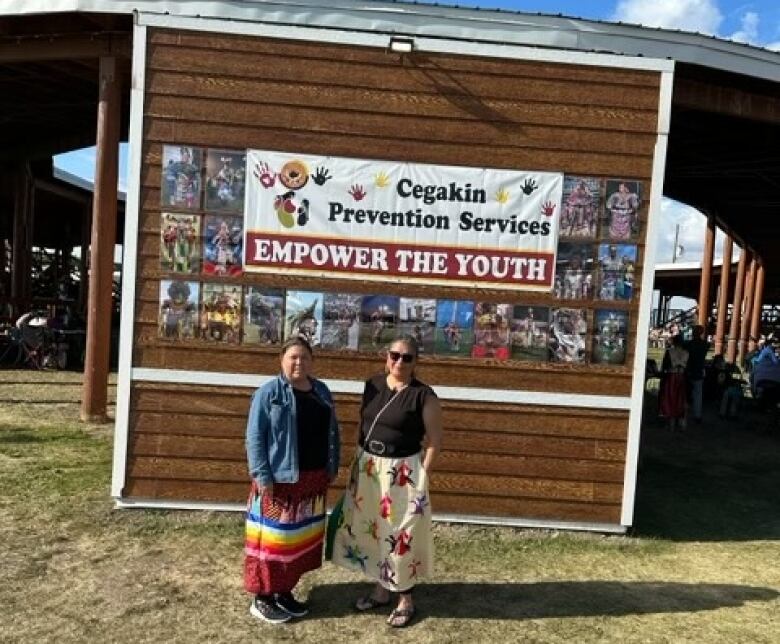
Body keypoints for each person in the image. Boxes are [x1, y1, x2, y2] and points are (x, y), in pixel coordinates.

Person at [332, 335, 443, 628]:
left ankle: (405, 598)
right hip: (369, 467)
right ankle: (382, 589)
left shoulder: (424, 395)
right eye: (395, 355)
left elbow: (434, 441)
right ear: (387, 356)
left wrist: (422, 478)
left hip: (402, 473)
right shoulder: (373, 385)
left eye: (407, 358)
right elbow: (363, 422)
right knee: (372, 529)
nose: (399, 362)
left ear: (416, 362)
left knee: (399, 534)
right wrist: (356, 461)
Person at [244, 336, 340, 624]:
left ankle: (284, 591)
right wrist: (262, 475)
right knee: (272, 541)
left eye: (304, 357)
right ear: (281, 360)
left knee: (297, 542)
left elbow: (332, 432)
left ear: (312, 361)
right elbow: (254, 437)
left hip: (311, 483)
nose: (299, 362)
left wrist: (331, 466)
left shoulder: (321, 390)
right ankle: (262, 597)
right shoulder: (268, 393)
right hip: (279, 483)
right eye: (293, 357)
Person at [659, 333, 689, 431]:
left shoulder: (669, 352)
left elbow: (664, 366)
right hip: (682, 377)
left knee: (670, 399)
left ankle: (670, 423)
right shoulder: (686, 353)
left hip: (671, 377)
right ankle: (680, 422)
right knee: (680, 399)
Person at [685, 325, 709, 423]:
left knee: (685, 393)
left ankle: (683, 413)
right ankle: (697, 415)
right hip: (699, 370)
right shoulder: (705, 344)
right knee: (698, 394)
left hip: (688, 370)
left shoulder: (688, 344)